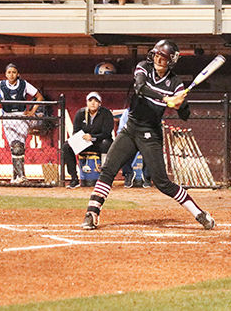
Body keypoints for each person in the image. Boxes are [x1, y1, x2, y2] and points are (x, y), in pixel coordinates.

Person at [81, 39, 215, 230]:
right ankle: (92, 213)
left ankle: (200, 214)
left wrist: (180, 104)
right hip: (131, 129)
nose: (158, 59)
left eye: (163, 57)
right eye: (157, 55)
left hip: (151, 134)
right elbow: (140, 87)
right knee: (108, 169)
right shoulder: (143, 67)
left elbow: (185, 115)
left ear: (170, 61)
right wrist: (165, 98)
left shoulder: (176, 83)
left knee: (162, 182)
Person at [0, 63, 44, 184]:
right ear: (5, 74)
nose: (11, 75)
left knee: (19, 148)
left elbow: (39, 96)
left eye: (14, 72)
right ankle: (20, 176)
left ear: (17, 74)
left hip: (21, 117)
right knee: (15, 147)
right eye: (9, 72)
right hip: (7, 117)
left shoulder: (23, 84)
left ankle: (17, 177)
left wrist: (32, 111)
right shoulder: (1, 85)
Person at [64, 91, 114, 188]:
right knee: (67, 146)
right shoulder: (80, 113)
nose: (93, 103)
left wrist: (92, 137)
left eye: (96, 101)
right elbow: (75, 132)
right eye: (90, 100)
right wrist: (83, 137)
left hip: (99, 142)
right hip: (85, 142)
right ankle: (74, 178)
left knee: (106, 143)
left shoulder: (106, 113)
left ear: (100, 103)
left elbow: (106, 133)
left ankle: (104, 178)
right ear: (86, 102)